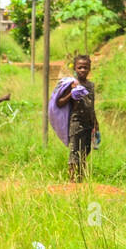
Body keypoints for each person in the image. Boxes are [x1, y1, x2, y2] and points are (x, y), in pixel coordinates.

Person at [56, 54, 99, 182]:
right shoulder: (71, 84)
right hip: (76, 123)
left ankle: (80, 179)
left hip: (88, 124)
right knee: (74, 152)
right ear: (75, 68)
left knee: (85, 153)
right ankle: (72, 181)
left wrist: (96, 124)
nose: (82, 70)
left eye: (85, 67)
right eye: (80, 67)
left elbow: (91, 106)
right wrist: (71, 93)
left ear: (89, 68)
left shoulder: (91, 85)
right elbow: (59, 102)